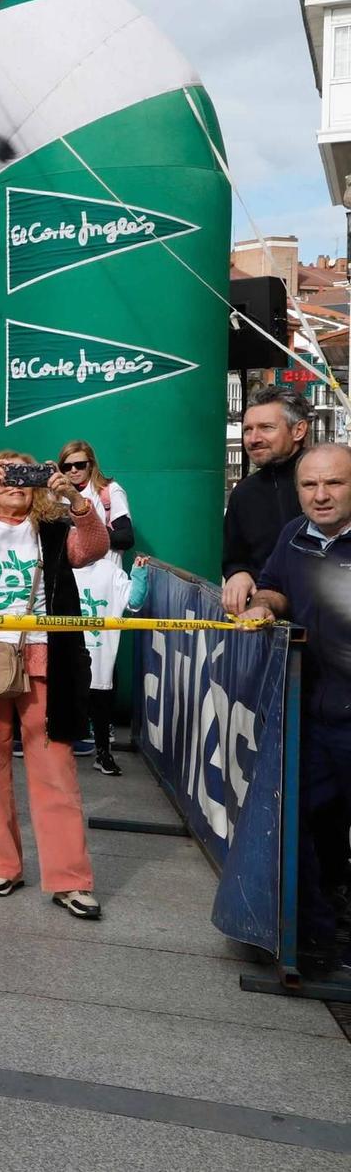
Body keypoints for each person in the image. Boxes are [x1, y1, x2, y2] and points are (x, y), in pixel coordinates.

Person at [0, 452, 109, 919]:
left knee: (56, 769)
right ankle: (0, 865)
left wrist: (73, 496)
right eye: (5, 472)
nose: (15, 481)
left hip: (45, 658)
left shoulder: (52, 530)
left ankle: (70, 878)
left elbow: (93, 548)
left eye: (23, 473)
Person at [237, 443, 351, 981]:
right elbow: (276, 586)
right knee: (295, 822)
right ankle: (315, 941)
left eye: (334, 484)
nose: (321, 496)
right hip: (316, 712)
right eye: (310, 486)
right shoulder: (294, 535)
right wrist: (263, 603)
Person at [58, 438, 133, 774]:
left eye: (80, 464)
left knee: (104, 660)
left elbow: (125, 537)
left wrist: (86, 529)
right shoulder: (55, 492)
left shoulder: (108, 491)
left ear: (92, 464)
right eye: (67, 465)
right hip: (70, 581)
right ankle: (71, 729)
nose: (74, 471)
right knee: (67, 658)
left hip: (103, 583)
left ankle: (103, 739)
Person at [222, 387, 309, 617]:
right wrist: (238, 573)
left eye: (266, 428)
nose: (253, 439)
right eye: (247, 430)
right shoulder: (243, 493)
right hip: (268, 628)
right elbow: (234, 557)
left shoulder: (333, 480)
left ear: (298, 430)